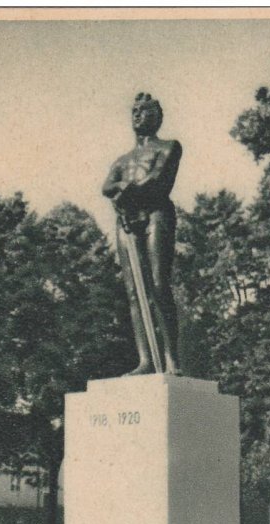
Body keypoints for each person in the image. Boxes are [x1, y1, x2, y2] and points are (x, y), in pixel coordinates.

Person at [102, 92, 182, 375]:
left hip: (155, 214)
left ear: (157, 116)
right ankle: (146, 359)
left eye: (144, 110)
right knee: (135, 293)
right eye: (134, 111)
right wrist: (126, 190)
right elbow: (106, 186)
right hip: (127, 220)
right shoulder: (123, 160)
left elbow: (158, 179)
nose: (137, 115)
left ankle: (172, 359)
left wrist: (128, 189)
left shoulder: (169, 147)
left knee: (159, 285)